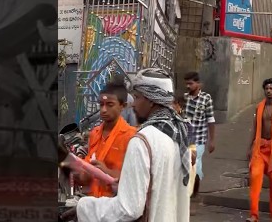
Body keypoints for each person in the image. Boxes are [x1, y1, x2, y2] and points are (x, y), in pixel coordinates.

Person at [71, 68, 191, 222]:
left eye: (137, 97)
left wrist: (84, 207)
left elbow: (129, 209)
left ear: (151, 100)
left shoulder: (141, 140)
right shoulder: (178, 136)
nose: (133, 105)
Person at [78, 83, 137, 198]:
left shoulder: (131, 136)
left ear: (122, 106)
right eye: (101, 104)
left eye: (110, 105)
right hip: (93, 203)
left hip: (116, 205)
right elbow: (85, 179)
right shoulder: (94, 134)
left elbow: (134, 179)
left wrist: (106, 171)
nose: (103, 110)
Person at [248, 78, 272, 222]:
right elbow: (255, 128)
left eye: (271, 89)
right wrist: (249, 148)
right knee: (255, 177)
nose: (269, 91)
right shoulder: (259, 107)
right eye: (267, 88)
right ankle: (253, 215)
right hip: (259, 148)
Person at [183, 71, 216, 197]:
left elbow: (210, 120)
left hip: (199, 140)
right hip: (185, 139)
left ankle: (193, 194)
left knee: (195, 168)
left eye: (190, 84)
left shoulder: (206, 99)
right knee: (186, 167)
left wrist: (212, 140)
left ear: (198, 84)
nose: (188, 86)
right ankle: (187, 193)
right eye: (186, 84)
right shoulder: (185, 98)